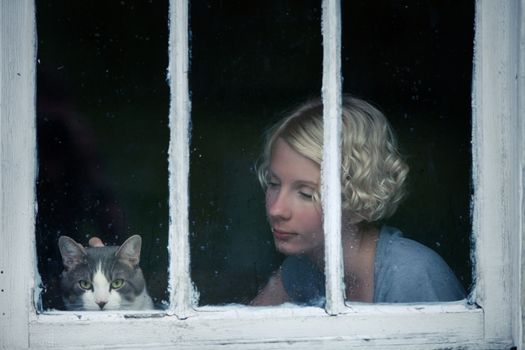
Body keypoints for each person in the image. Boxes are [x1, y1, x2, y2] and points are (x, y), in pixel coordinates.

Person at [250, 95, 465, 306]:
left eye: (307, 194)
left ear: (355, 196)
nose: (276, 209)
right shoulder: (301, 271)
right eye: (273, 183)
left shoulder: (413, 275)